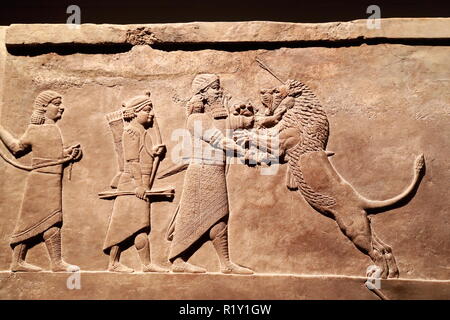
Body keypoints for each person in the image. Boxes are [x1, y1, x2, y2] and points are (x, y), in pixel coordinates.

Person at [169, 74, 254, 274]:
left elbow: (236, 123)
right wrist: (243, 152)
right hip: (201, 173)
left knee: (219, 215)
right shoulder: (196, 119)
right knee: (190, 216)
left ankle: (225, 264)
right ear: (204, 93)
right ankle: (178, 260)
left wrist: (270, 116)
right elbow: (219, 139)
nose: (220, 91)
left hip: (214, 172)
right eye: (215, 88)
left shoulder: (214, 118)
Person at [0, 90, 81, 272]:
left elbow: (52, 155)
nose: (61, 107)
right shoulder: (36, 129)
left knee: (53, 220)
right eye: (56, 103)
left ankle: (55, 262)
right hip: (40, 182)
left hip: (52, 180)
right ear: (44, 108)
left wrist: (68, 154)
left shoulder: (53, 128)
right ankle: (18, 261)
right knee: (31, 220)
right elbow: (16, 148)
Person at [103, 92, 168, 273]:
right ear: (135, 112)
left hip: (141, 183)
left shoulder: (142, 131)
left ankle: (146, 265)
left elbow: (143, 153)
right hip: (132, 184)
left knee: (140, 225)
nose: (151, 114)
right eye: (147, 110)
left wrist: (154, 151)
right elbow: (132, 161)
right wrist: (139, 184)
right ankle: (114, 263)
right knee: (122, 225)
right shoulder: (131, 132)